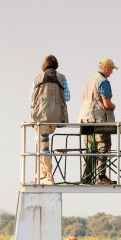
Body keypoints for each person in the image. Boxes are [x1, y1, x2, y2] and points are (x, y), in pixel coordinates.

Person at [31, 54, 69, 185]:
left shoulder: (38, 78)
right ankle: (42, 171)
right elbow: (67, 97)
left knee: (44, 146)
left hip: (41, 117)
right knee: (42, 143)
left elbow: (31, 97)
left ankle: (48, 174)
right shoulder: (62, 78)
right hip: (56, 117)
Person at [79, 58, 118, 185]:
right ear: (107, 68)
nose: (112, 72)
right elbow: (106, 103)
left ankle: (86, 177)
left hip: (86, 119)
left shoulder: (90, 80)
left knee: (90, 148)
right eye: (111, 69)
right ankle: (101, 177)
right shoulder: (103, 82)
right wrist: (113, 106)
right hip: (99, 119)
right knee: (103, 146)